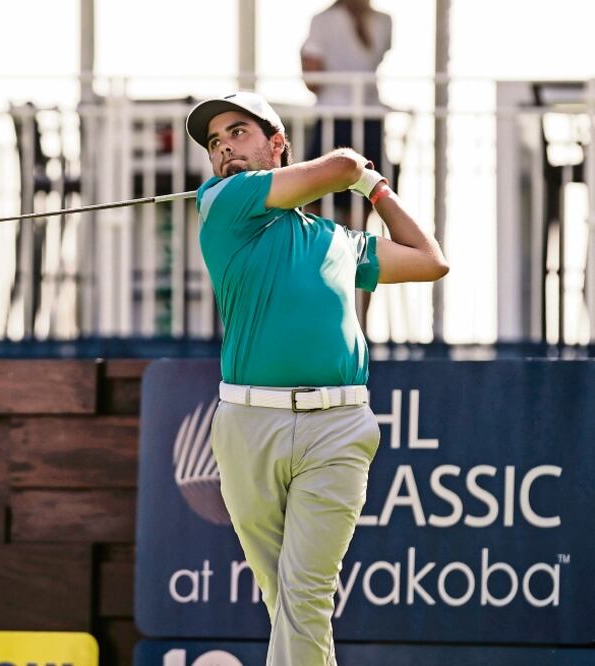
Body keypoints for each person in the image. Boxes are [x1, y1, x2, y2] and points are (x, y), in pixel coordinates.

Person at [185, 92, 447, 665]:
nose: (224, 147)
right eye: (214, 142)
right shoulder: (221, 201)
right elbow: (344, 165)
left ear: (278, 144)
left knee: (304, 595)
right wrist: (358, 174)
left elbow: (430, 260)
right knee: (286, 599)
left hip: (339, 426)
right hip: (248, 424)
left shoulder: (340, 242)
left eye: (238, 133)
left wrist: (377, 190)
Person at [301, 0, 395, 217]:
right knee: (364, 195)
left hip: (341, 117)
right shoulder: (382, 21)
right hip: (359, 117)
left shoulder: (323, 20)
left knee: (316, 194)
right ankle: (346, 238)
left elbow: (312, 80)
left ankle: (321, 237)